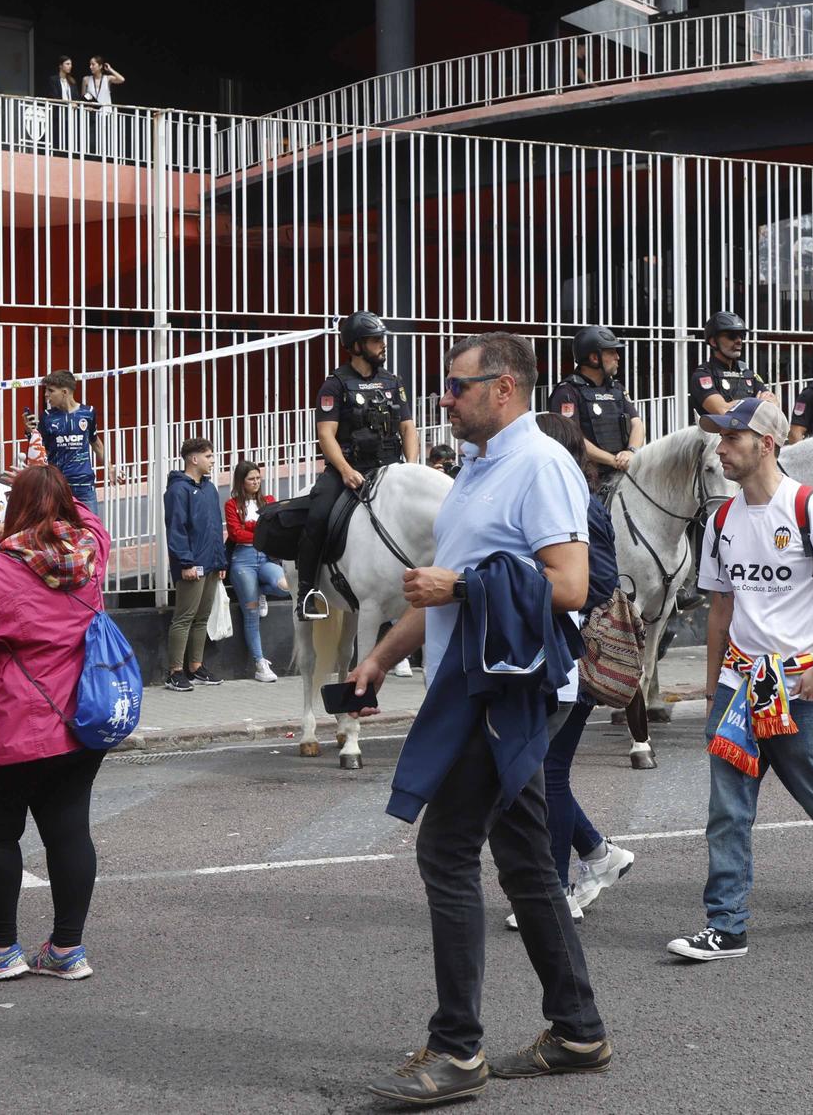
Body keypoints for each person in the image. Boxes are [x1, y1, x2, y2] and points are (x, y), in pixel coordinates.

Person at [347, 333, 609, 1103]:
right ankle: (578, 1029)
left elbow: (569, 582)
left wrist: (458, 586)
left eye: (457, 387)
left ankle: (458, 1049)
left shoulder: (541, 465)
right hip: (471, 680)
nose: (445, 399)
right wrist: (381, 657)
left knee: (447, 848)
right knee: (527, 862)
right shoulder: (474, 468)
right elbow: (439, 588)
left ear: (504, 389)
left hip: (508, 691)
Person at [665, 398, 813, 964]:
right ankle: (727, 926)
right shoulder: (720, 519)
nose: (719, 449)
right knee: (728, 808)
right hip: (741, 687)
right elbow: (720, 609)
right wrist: (714, 685)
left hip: (803, 687)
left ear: (765, 444)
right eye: (718, 439)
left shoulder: (810, 508)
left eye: (731, 439)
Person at [0, 466, 112, 982]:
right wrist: (53, 489)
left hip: (5, 727)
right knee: (69, 832)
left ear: (14, 511)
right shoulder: (92, 549)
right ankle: (66, 949)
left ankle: (0, 949)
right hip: (77, 720)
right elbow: (90, 518)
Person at [529, 413, 636, 924]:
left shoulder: (582, 507)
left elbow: (599, 584)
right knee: (543, 773)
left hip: (576, 655)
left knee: (547, 773)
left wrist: (552, 598)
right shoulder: (564, 500)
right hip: (556, 655)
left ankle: (559, 892)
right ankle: (597, 854)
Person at [298, 311, 417, 621]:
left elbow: (408, 428)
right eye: (376, 340)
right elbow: (326, 434)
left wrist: (413, 468)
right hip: (348, 472)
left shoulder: (393, 382)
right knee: (318, 515)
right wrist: (346, 470)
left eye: (382, 339)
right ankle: (308, 592)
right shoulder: (335, 385)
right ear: (355, 346)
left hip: (391, 469)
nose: (383, 345)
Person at [548, 326, 645, 495]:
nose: (618, 357)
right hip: (587, 481)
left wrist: (631, 453)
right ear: (594, 358)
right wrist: (614, 461)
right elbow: (574, 439)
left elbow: (637, 424)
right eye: (611, 352)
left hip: (621, 475)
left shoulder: (616, 389)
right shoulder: (568, 392)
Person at [164, 439, 226, 692]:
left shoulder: (210, 489)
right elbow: (176, 529)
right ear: (194, 459)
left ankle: (196, 667)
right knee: (184, 618)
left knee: (201, 618)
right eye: (208, 456)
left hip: (211, 563)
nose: (212, 460)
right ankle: (174, 672)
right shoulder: (178, 490)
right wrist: (186, 563)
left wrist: (221, 560)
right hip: (192, 565)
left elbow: (216, 526)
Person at [224, 461, 288, 683]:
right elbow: (235, 534)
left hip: (265, 557)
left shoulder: (268, 501)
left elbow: (271, 528)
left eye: (258, 478)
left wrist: (250, 527)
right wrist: (257, 528)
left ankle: (256, 592)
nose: (256, 482)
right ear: (241, 482)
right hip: (242, 560)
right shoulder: (232, 504)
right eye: (251, 479)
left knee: (284, 586)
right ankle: (260, 663)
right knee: (250, 613)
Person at [30, 370, 107, 515]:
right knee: (57, 531)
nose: (46, 395)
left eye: (51, 391)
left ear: (64, 392)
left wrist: (110, 467)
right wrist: (30, 433)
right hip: (57, 486)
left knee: (91, 531)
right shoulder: (46, 417)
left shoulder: (88, 412)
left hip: (84, 485)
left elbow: (95, 442)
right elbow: (40, 449)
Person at [688, 309, 773, 424]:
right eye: (732, 336)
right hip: (715, 439)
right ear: (713, 342)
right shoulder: (703, 375)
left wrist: (735, 405)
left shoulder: (748, 373)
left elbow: (773, 404)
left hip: (746, 437)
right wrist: (756, 403)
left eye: (741, 335)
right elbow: (722, 411)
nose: (739, 341)